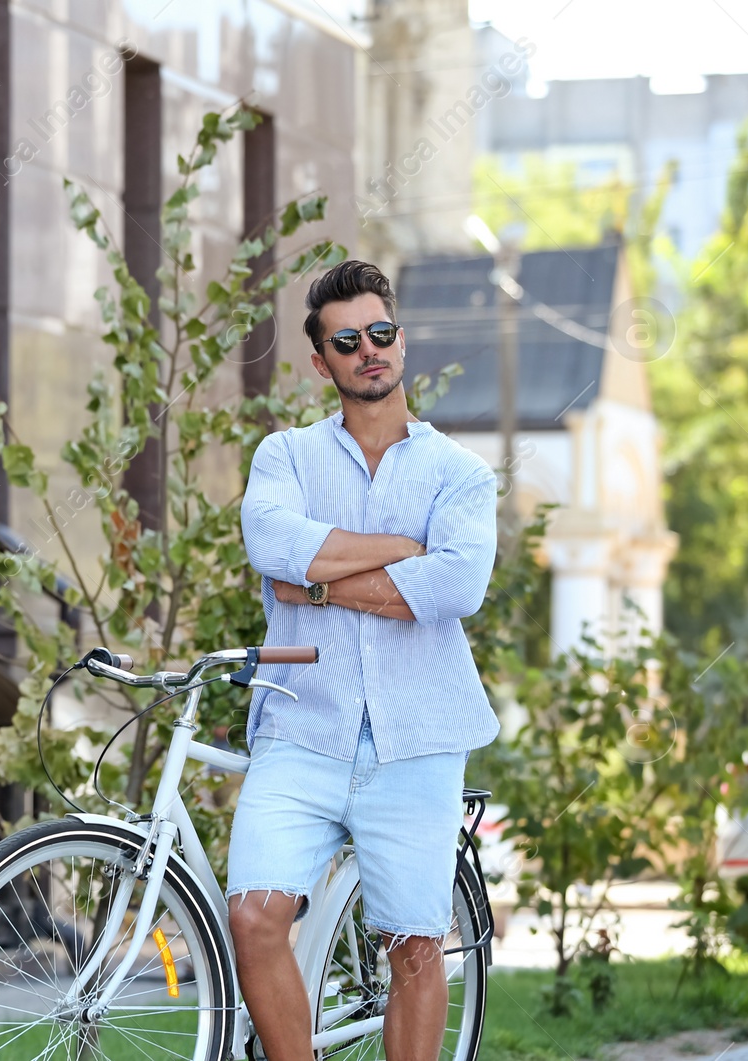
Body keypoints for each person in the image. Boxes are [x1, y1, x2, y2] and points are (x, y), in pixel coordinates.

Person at [229, 259, 500, 1061]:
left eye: (380, 333)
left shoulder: (459, 472)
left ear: (401, 342)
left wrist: (317, 584)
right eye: (347, 341)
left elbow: (457, 581)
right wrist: (400, 553)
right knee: (253, 916)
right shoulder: (285, 458)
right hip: (300, 727)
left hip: (417, 738)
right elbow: (272, 545)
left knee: (414, 945)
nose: (368, 350)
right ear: (322, 363)